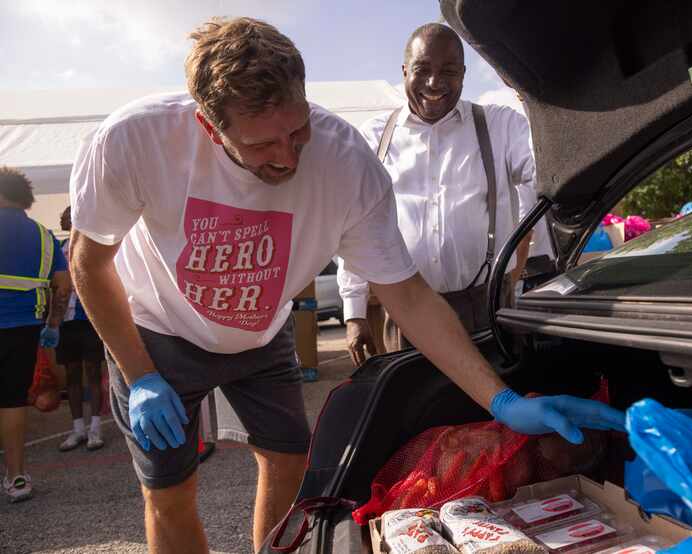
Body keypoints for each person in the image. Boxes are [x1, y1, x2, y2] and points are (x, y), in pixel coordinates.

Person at [69, 17, 624, 553]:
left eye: (297, 129)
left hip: (262, 332)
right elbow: (89, 262)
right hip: (159, 331)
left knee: (289, 463)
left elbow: (407, 294)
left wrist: (501, 400)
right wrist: (139, 375)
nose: (288, 157)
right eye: (262, 146)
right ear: (208, 126)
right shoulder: (133, 141)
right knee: (169, 490)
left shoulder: (344, 159)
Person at [338, 23, 534, 360]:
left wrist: (527, 92)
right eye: (422, 69)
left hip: (484, 307)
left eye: (449, 71)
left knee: (492, 409)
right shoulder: (373, 139)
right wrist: (354, 311)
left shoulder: (500, 125)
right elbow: (353, 226)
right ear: (404, 71)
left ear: (463, 74)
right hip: (406, 312)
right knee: (416, 409)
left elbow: (546, 166)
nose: (434, 82)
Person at [0, 166, 70, 503]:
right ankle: (15, 478)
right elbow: (63, 286)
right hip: (24, 330)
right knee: (12, 400)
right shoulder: (44, 235)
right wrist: (53, 326)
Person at [56, 206, 106, 452]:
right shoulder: (58, 249)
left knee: (93, 371)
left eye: (65, 215)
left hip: (90, 320)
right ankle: (78, 429)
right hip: (67, 322)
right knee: (72, 374)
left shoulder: (91, 245)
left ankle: (96, 428)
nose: (61, 219)